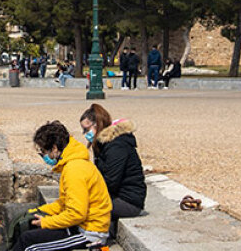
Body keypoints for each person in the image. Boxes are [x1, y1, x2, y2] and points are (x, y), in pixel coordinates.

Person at [15, 121, 111, 251]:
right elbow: (64, 202)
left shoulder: (74, 170)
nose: (44, 157)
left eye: (43, 152)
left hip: (89, 233)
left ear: (54, 149)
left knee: (31, 248)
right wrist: (41, 211)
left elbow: (76, 214)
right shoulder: (71, 165)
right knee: (26, 235)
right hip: (79, 226)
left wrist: (45, 222)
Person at [80, 104, 146, 239]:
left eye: (86, 129)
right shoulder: (103, 144)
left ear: (97, 124)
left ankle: (94, 238)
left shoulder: (117, 146)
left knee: (83, 209)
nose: (85, 134)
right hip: (117, 196)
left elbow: (111, 181)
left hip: (129, 201)